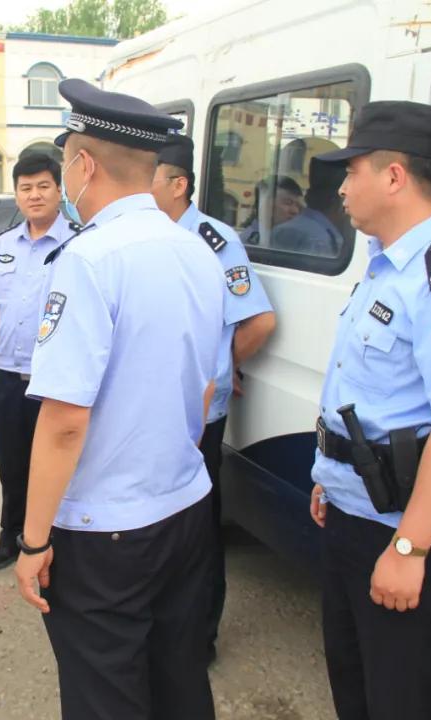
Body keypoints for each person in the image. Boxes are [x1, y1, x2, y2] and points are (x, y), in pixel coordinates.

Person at [14, 79, 226, 720]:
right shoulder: (196, 248)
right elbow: (208, 382)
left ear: (82, 165)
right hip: (184, 504)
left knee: (105, 693)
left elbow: (63, 422)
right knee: (179, 679)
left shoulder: (89, 259)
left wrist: (31, 542)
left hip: (105, 529)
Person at [308, 101, 431, 719]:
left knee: (400, 699)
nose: (342, 188)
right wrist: (329, 478)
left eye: (353, 172)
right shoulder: (385, 266)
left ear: (394, 177)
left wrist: (408, 551)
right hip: (353, 506)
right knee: (353, 681)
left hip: (400, 524)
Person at [151, 133, 276, 665]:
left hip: (202, 415)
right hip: (155, 409)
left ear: (178, 184)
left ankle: (199, 638)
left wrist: (226, 366)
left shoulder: (212, 238)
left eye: (151, 177)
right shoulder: (146, 235)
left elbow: (260, 320)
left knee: (198, 530)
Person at [0, 152, 77, 572]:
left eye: (43, 186)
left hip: (53, 379)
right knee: (10, 460)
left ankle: (56, 540)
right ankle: (11, 537)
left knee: (56, 464)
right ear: (16, 194)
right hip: (5, 375)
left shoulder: (78, 243)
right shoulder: (4, 244)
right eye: (25, 187)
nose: (34, 195)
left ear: (59, 190)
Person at [271, 157, 350, 256]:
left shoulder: (319, 231)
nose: (294, 210)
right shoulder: (314, 237)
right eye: (288, 202)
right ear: (339, 200)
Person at [240, 175, 303, 244]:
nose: (295, 211)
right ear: (265, 205)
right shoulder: (249, 243)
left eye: (298, 206)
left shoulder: (288, 240)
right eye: (288, 203)